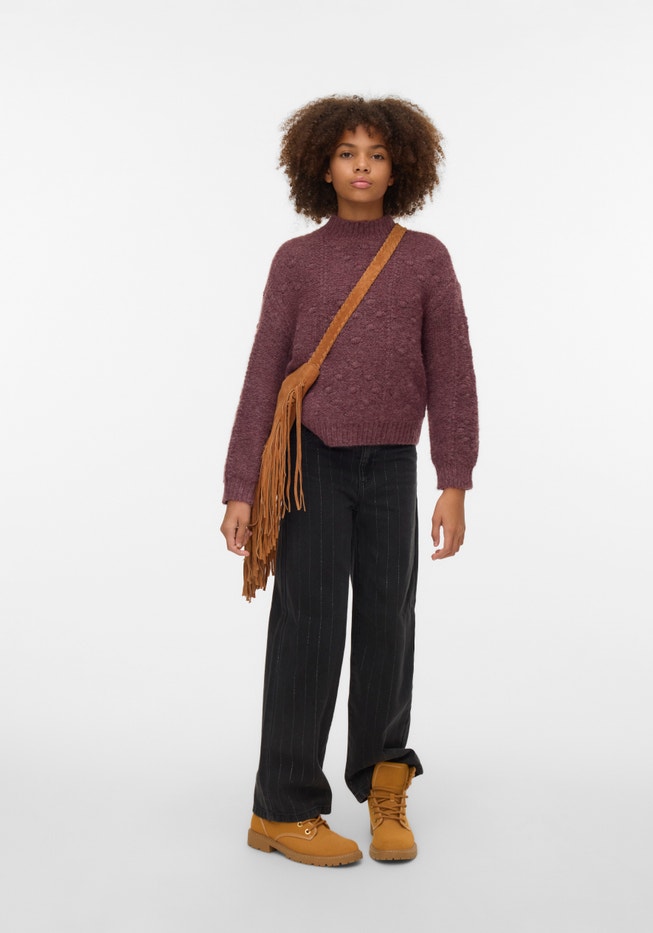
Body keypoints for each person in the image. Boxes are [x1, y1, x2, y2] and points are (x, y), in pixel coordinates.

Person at [220, 95, 479, 867]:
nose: (362, 166)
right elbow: (264, 373)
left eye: (376, 153)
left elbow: (453, 373)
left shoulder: (426, 258)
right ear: (321, 166)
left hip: (394, 462)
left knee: (388, 625)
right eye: (346, 153)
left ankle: (384, 784)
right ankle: (282, 806)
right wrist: (240, 485)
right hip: (310, 464)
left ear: (400, 167)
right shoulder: (296, 261)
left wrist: (454, 478)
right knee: (308, 624)